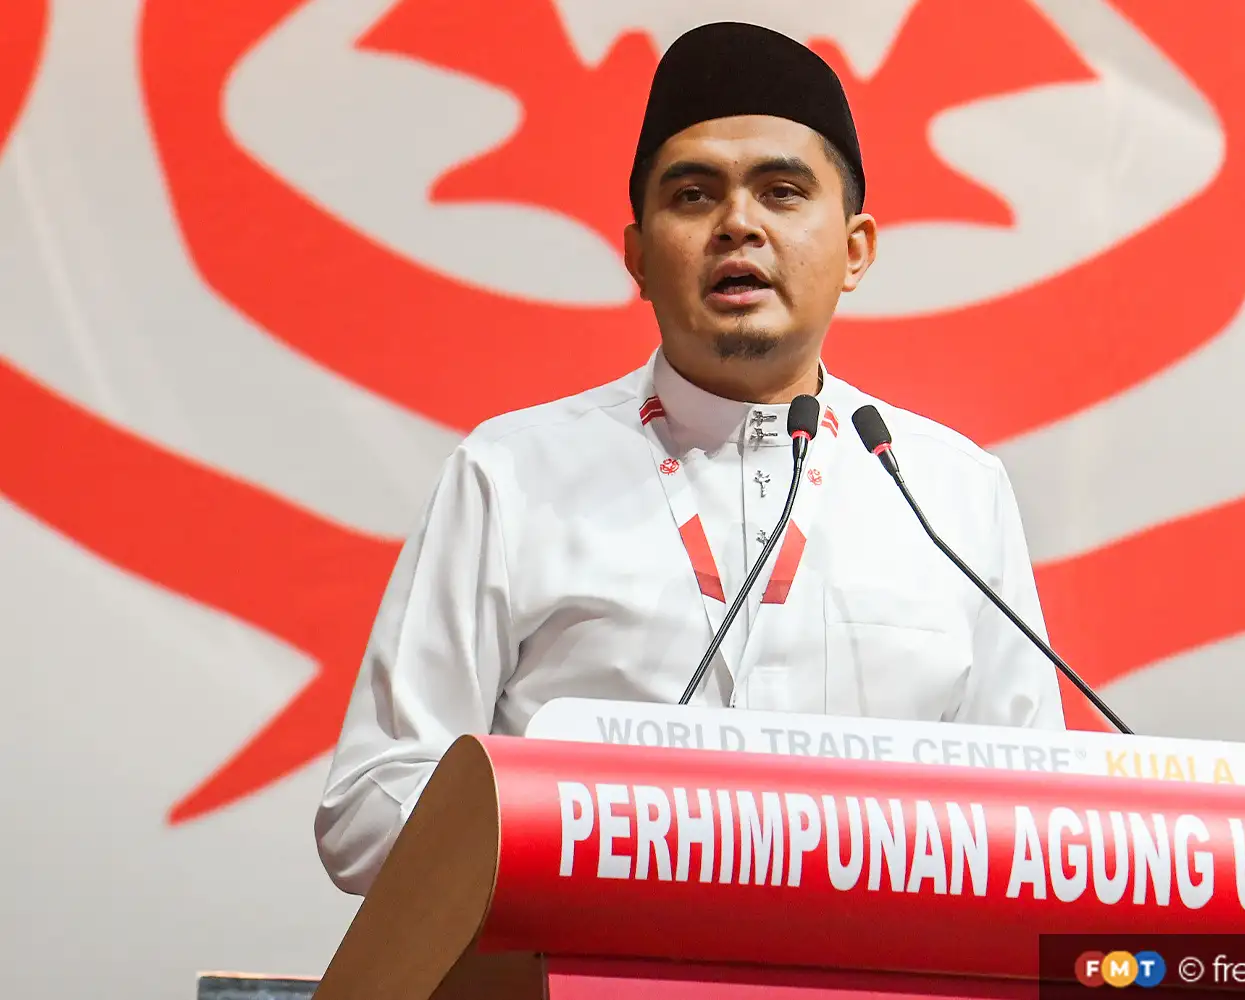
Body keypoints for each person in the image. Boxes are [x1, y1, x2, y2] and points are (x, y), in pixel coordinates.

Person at [315, 20, 1067, 895]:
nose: (738, 224)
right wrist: (590, 836)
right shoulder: (513, 474)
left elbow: (1043, 824)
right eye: (695, 195)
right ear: (638, 257)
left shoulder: (950, 490)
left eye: (782, 192)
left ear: (855, 249)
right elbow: (369, 805)